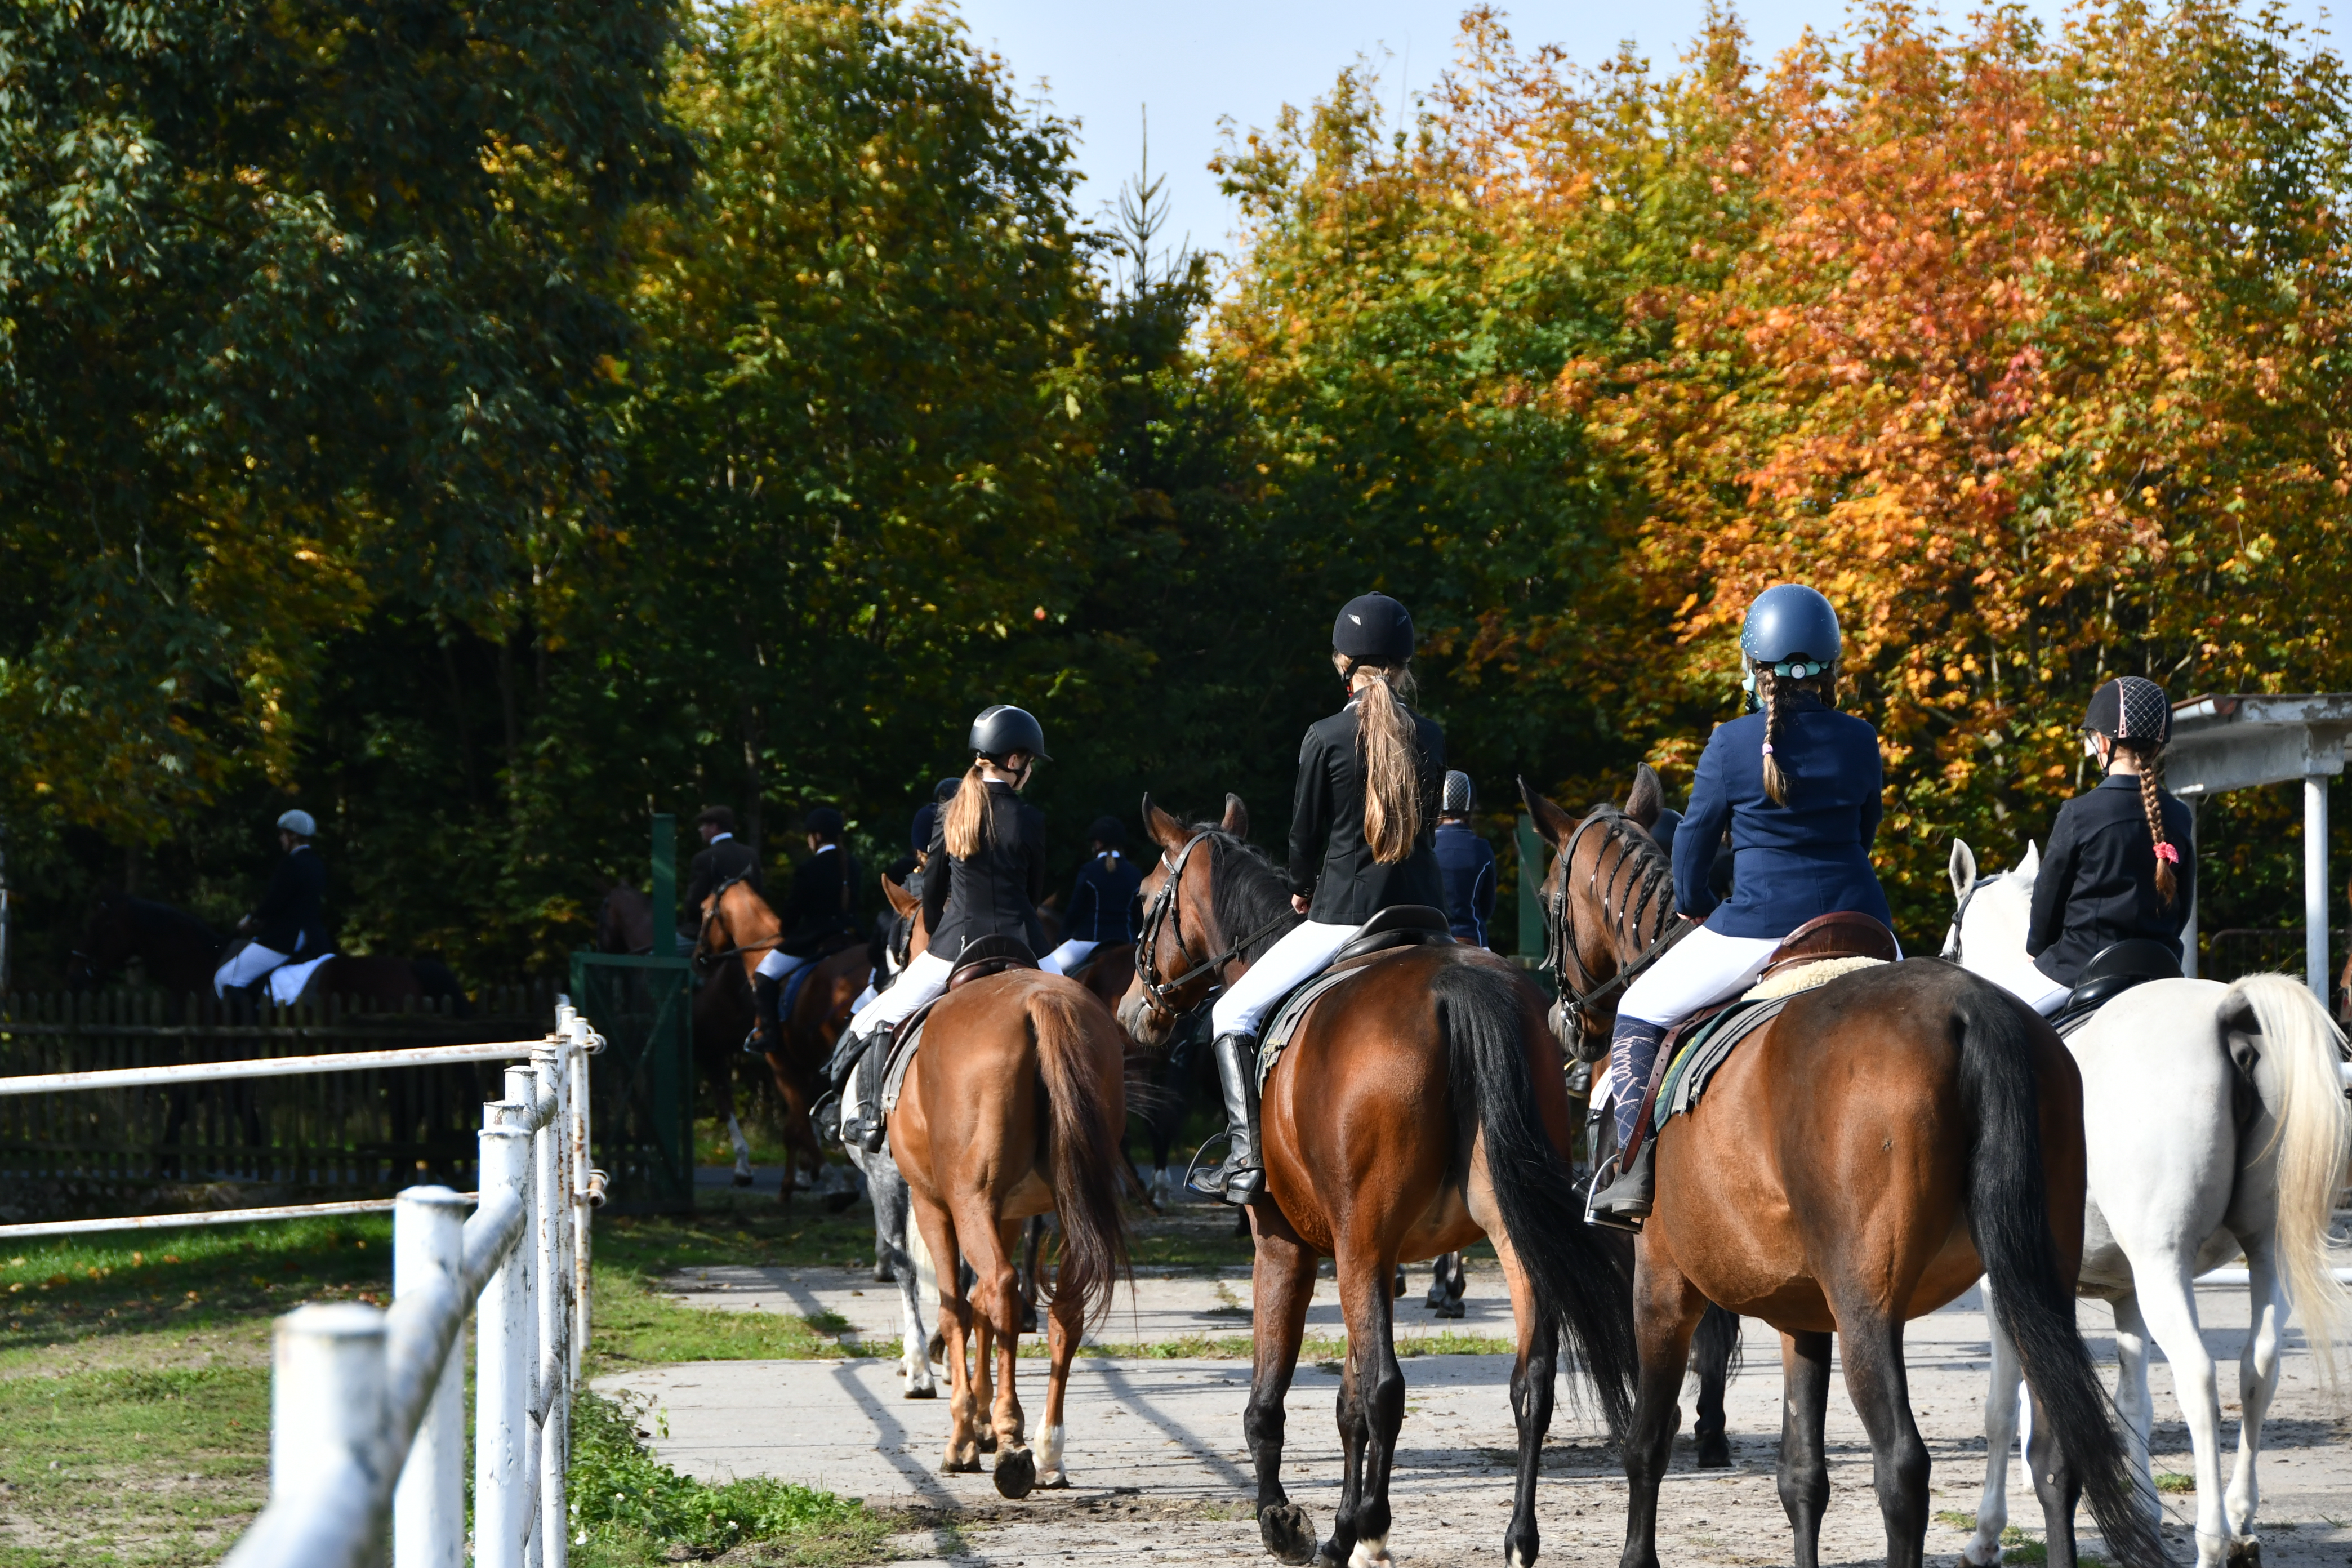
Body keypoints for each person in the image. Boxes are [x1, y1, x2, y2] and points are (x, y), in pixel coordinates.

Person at [1589, 584, 1894, 1229]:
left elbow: (1692, 852)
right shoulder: (1862, 739)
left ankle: (1632, 1171)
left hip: (1757, 928)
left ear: (1754, 668)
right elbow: (1865, 834)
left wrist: (1697, 906)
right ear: (1830, 666)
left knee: (1638, 1010)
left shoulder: (1730, 743)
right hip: (1864, 925)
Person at [1195, 592, 1446, 1204]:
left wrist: (1303, 893)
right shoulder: (1433, 736)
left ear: (1343, 662)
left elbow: (1303, 837)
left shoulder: (1326, 736)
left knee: (1230, 1014)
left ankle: (1247, 1160)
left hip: (1344, 919)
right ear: (1403, 663)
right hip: (1426, 917)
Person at [823, 705, 1052, 1148]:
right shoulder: (1030, 818)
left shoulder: (950, 814)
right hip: (1026, 943)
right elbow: (1034, 893)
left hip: (955, 944)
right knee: (1084, 1023)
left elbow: (931, 890)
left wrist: (938, 936)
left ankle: (866, 1116)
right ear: (1015, 759)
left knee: (874, 1017)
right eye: (1029, 761)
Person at [1979, 677, 2194, 1014]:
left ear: (2103, 745)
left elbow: (2048, 901)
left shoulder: (2079, 813)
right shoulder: (2180, 816)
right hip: (2161, 969)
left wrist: (2040, 948)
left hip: (2080, 967)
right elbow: (2183, 907)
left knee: (1986, 1017)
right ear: (2159, 747)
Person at [749, 808, 860, 1050]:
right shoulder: (853, 864)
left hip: (814, 938)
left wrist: (787, 932)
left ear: (817, 836)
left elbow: (794, 909)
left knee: (764, 975)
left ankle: (771, 1037)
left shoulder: (810, 868)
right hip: (849, 935)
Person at [213, 810, 332, 999]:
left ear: (293, 836)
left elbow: (275, 901)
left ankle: (247, 1027)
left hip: (285, 937)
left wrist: (251, 919)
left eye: (283, 834)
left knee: (227, 979)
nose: (281, 839)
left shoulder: (291, 864)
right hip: (314, 937)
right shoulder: (317, 865)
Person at [1041, 817, 1143, 975]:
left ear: (1098, 844)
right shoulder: (1135, 874)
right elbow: (1139, 914)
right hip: (1127, 941)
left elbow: (1076, 909)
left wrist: (1062, 938)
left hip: (1089, 941)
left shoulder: (1089, 871)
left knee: (1040, 972)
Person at [681, 807, 763, 951]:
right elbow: (759, 892)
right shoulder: (751, 854)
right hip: (747, 930)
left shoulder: (704, 858)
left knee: (657, 955)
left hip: (710, 931)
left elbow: (694, 902)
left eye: (703, 826)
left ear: (714, 827)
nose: (700, 830)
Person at [1433, 772, 1496, 947]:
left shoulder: (1426, 846)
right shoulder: (1482, 849)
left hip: (1433, 936)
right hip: (1473, 937)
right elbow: (1487, 907)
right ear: (1471, 807)